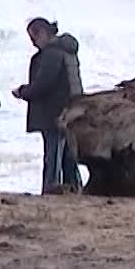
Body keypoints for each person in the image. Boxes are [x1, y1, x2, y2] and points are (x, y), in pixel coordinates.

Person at [13, 17, 75, 194]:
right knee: (67, 154)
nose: (33, 43)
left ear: (42, 32)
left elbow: (43, 83)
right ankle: (73, 186)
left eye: (34, 38)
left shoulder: (52, 53)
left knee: (53, 152)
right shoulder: (67, 50)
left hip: (54, 110)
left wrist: (23, 92)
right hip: (69, 107)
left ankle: (51, 186)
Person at [55, 29, 84, 192]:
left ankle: (61, 184)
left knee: (61, 148)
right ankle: (75, 183)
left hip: (65, 104)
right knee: (70, 149)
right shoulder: (71, 52)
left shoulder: (57, 54)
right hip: (76, 101)